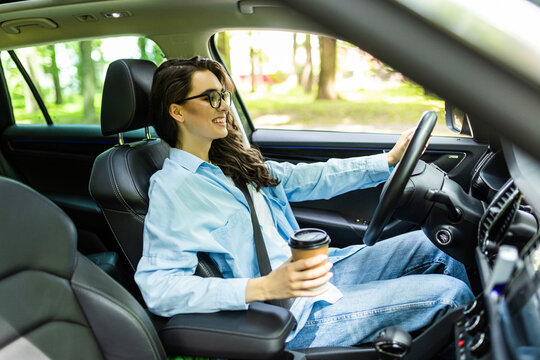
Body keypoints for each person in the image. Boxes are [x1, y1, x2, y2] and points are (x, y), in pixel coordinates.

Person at [134, 56, 474, 349]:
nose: (224, 105)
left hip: (321, 275)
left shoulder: (230, 163)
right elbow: (160, 288)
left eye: (223, 94)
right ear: (177, 111)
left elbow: (313, 177)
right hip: (286, 315)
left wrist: (387, 161)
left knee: (438, 244)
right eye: (210, 97)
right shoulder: (174, 189)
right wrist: (262, 287)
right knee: (449, 295)